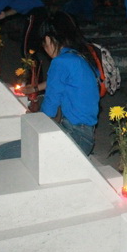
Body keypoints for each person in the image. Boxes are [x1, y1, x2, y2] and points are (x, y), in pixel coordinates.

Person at [39, 12, 100, 155]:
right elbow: (62, 83)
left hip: (75, 134)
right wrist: (36, 87)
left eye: (43, 44)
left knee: (4, 152)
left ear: (48, 39)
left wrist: (34, 122)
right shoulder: (81, 56)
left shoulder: (61, 62)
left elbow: (49, 108)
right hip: (87, 135)